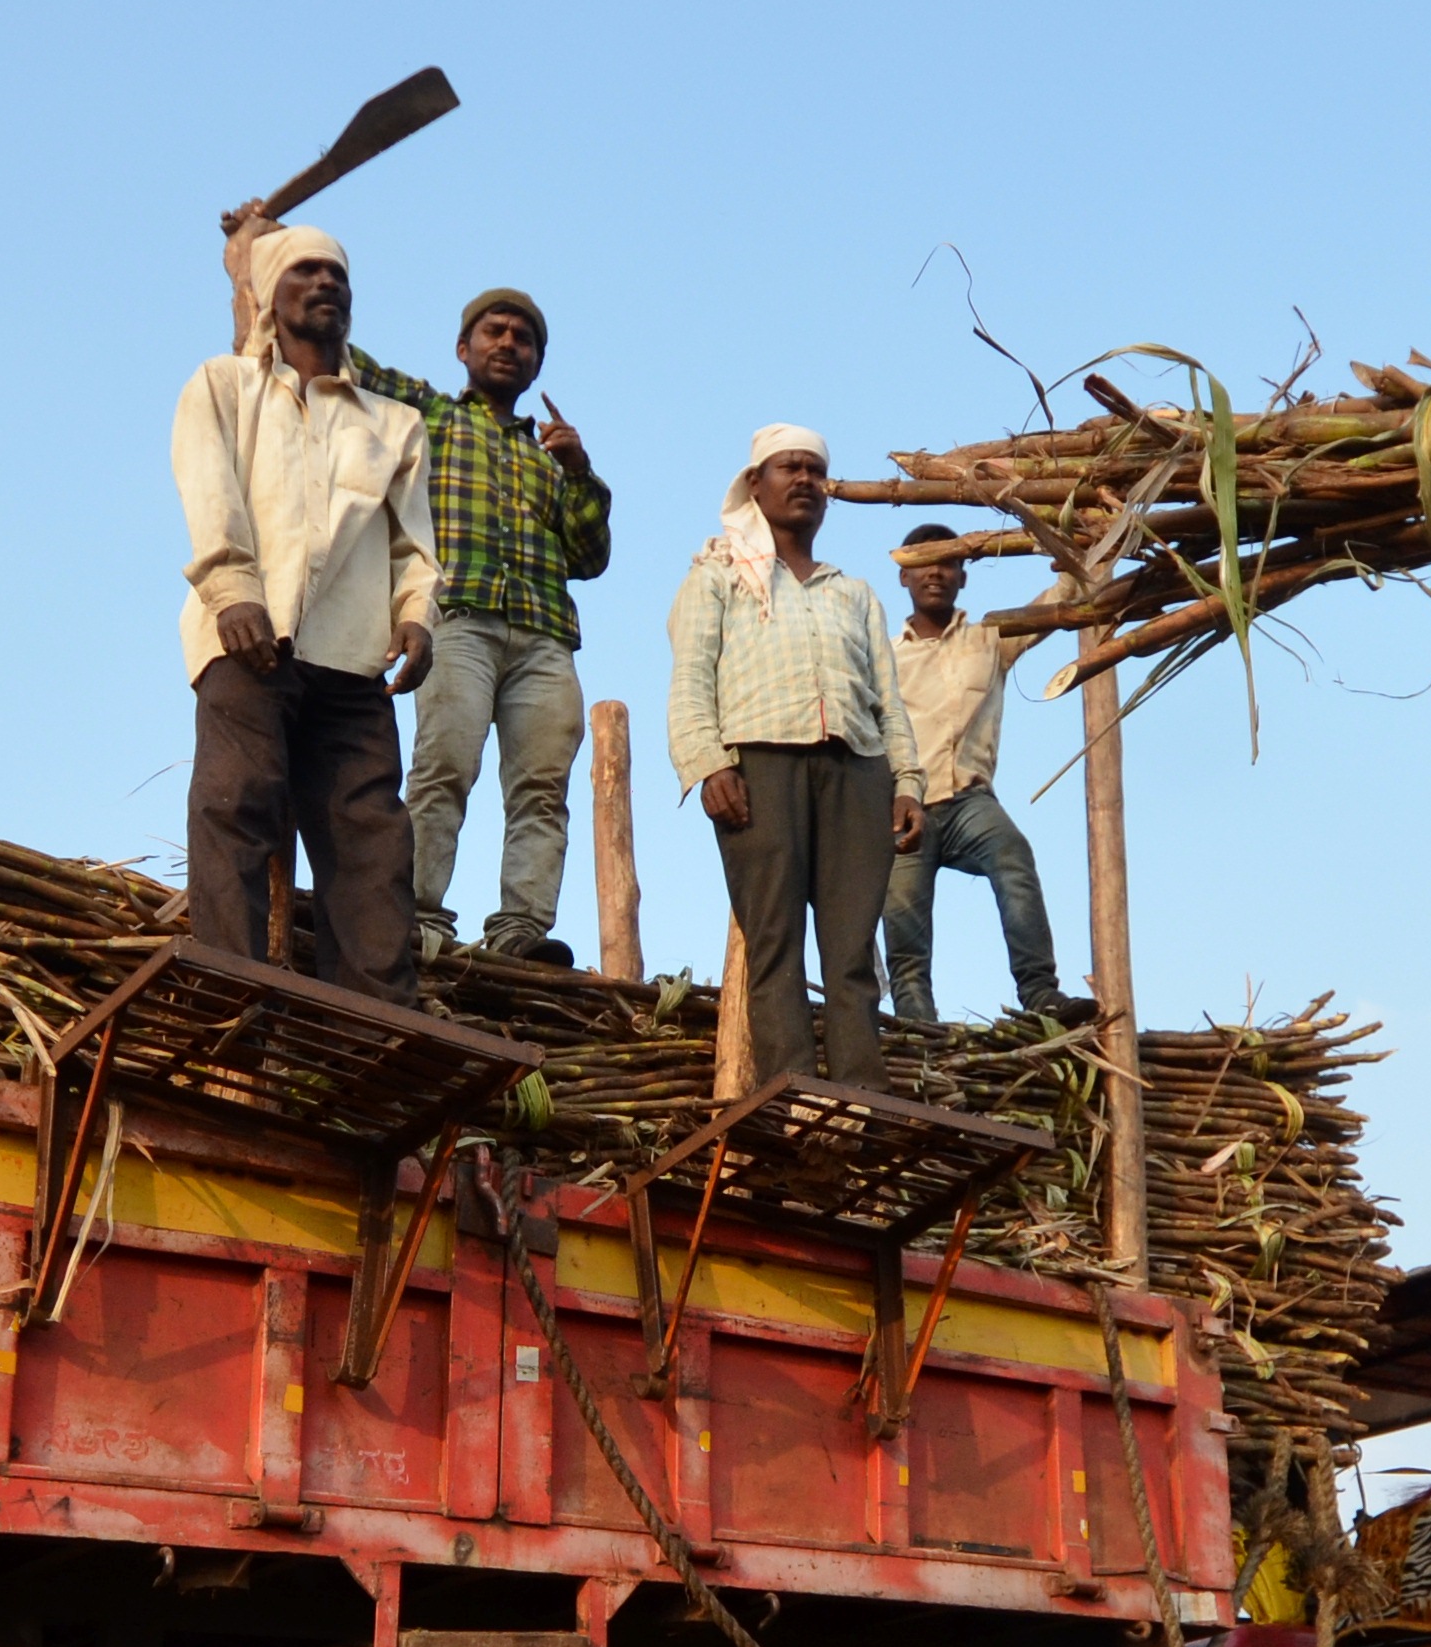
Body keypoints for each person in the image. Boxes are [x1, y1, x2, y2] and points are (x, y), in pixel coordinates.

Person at [221, 212, 616, 961]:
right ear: (463, 350)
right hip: (458, 619)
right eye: (493, 332)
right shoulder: (424, 412)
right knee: (443, 768)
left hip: (543, 639)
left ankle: (521, 933)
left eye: (522, 338)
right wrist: (268, 254)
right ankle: (423, 919)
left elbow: (591, 556)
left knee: (541, 790)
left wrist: (580, 471)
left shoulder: (550, 457)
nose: (508, 343)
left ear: (536, 364)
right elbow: (332, 348)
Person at [168, 223, 434, 1004]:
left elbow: (413, 548)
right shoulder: (224, 386)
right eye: (304, 273)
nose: (325, 286)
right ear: (269, 300)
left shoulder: (394, 424)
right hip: (248, 641)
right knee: (237, 807)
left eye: (336, 276)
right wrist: (233, 593)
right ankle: (233, 998)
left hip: (353, 662)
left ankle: (381, 1018)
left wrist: (418, 617)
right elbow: (211, 495)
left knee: (372, 841)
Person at [668, 428, 921, 1087]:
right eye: (789, 468)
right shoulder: (718, 574)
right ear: (756, 484)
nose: (804, 480)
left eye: (815, 470)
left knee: (852, 947)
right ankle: (792, 1088)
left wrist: (908, 783)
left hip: (857, 769)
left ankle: (861, 1087)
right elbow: (691, 678)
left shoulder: (853, 592)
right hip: (759, 765)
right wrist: (708, 764)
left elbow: (889, 702)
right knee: (775, 940)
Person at [879, 524, 1082, 1028]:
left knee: (1014, 857)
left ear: (963, 577)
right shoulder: (883, 656)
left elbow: (1058, 604)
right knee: (904, 928)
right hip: (906, 805)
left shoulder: (989, 637)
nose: (935, 572)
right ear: (903, 575)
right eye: (924, 562)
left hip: (970, 802)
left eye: (947, 562)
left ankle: (1040, 993)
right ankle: (919, 1027)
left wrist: (1072, 552)